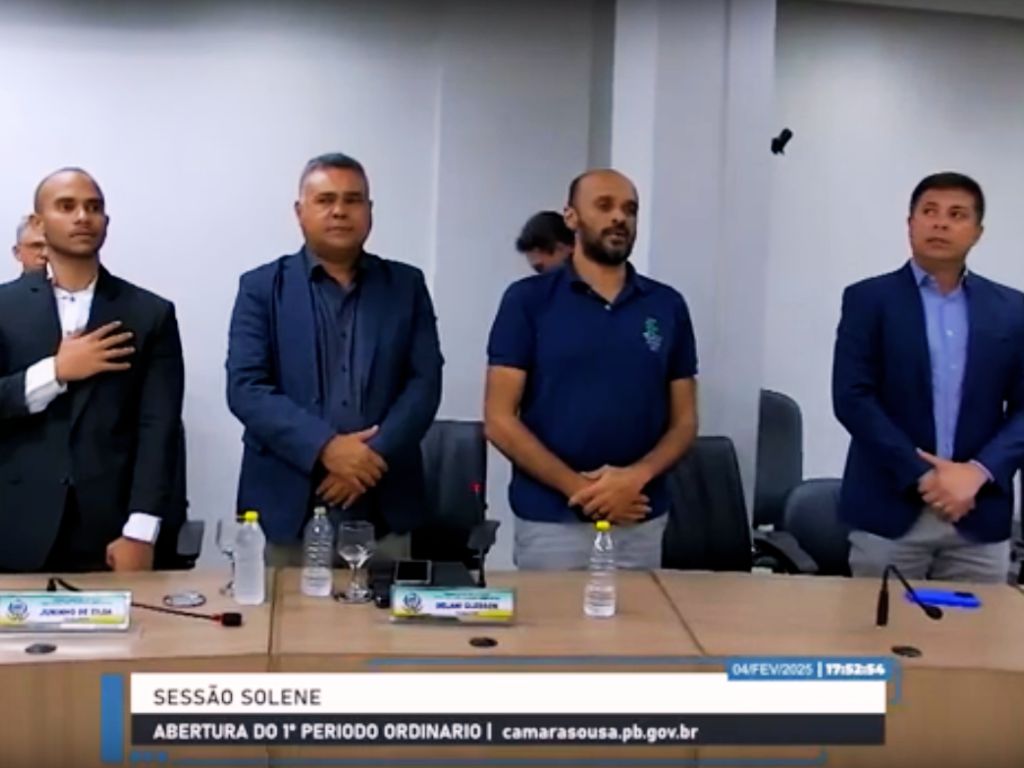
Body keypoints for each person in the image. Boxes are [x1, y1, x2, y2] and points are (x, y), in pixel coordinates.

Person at [226, 152, 443, 564]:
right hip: (286, 506)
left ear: (369, 210)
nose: (340, 211)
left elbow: (424, 383)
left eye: (353, 200)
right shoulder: (261, 288)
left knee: (384, 608)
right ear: (300, 212)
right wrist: (326, 448)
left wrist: (368, 458)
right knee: (282, 608)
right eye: (325, 200)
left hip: (384, 502)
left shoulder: (406, 286)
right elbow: (246, 388)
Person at [485, 169, 699, 570]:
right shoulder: (527, 301)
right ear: (571, 217)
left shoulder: (666, 305)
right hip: (552, 520)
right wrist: (583, 489)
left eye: (630, 209)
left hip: (638, 515)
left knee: (641, 615)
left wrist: (634, 478)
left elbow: (685, 422)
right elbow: (499, 420)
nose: (619, 217)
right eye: (604, 206)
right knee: (554, 615)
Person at [833, 172, 1024, 583]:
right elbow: (853, 398)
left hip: (978, 513)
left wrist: (977, 472)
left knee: (978, 626)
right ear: (910, 223)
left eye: (957, 215)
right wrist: (926, 478)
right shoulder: (868, 300)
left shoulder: (1012, 310)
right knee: (881, 625)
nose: (940, 223)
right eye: (930, 211)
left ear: (977, 232)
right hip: (890, 510)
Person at [0, 168, 185, 572]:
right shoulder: (4, 308)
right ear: (38, 223)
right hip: (14, 527)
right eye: (66, 206)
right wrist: (56, 371)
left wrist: (141, 531)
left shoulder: (149, 313)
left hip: (112, 532)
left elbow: (159, 428)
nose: (83, 217)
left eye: (94, 207)